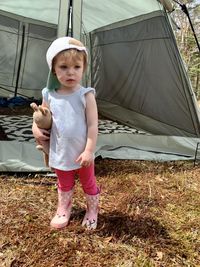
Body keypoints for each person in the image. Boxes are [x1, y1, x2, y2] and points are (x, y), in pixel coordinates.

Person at [32, 36, 100, 230]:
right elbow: (42, 117)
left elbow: (93, 125)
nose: (71, 72)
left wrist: (89, 150)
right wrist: (36, 129)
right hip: (61, 149)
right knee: (64, 182)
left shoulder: (86, 95)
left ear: (83, 68)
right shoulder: (49, 94)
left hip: (82, 152)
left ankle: (92, 210)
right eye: (63, 67)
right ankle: (64, 208)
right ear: (53, 68)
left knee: (88, 181)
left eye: (76, 67)